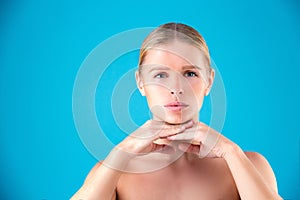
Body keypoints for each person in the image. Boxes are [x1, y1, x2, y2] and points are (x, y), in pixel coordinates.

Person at [71, 22, 282, 200]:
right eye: (160, 75)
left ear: (209, 81)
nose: (176, 88)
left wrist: (231, 152)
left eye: (190, 73)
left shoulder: (248, 166)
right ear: (141, 82)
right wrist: (123, 151)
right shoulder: (114, 172)